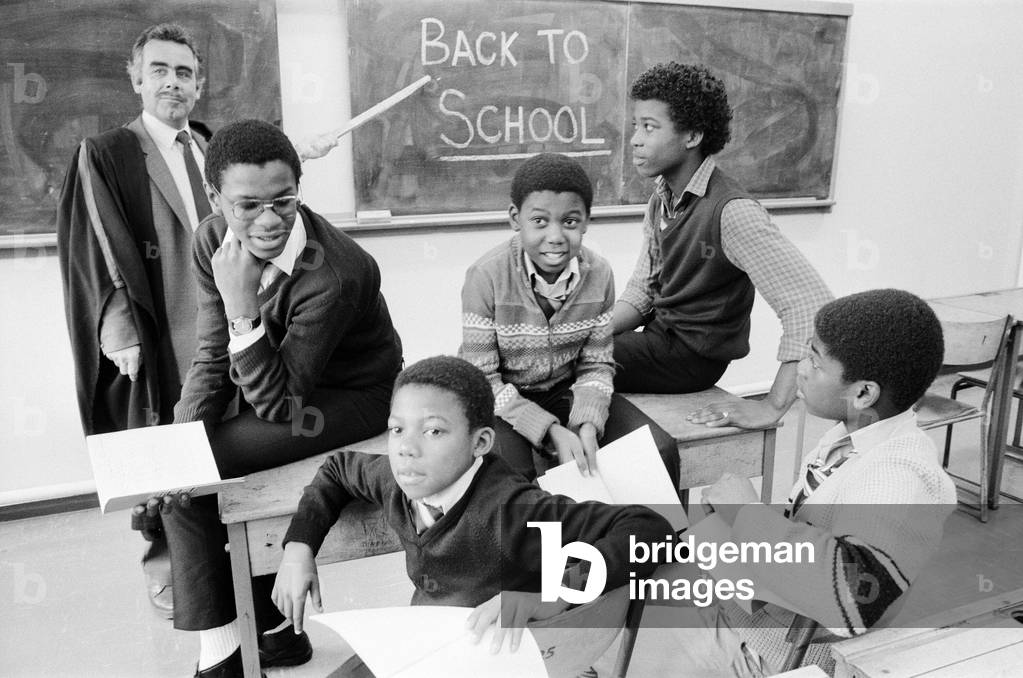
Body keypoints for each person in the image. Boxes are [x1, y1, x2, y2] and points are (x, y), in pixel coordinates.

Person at [157, 118, 402, 677]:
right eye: (247, 206)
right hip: (285, 383)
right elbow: (212, 354)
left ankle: (222, 662)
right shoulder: (209, 241)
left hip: (350, 396)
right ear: (215, 197)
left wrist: (242, 306)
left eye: (283, 202)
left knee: (189, 479)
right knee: (179, 461)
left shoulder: (335, 274)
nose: (268, 220)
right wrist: (181, 431)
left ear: (298, 190)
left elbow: (279, 405)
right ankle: (275, 637)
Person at [273, 355, 673, 663]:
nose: (406, 447)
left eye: (433, 431)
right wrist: (298, 548)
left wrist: (552, 592)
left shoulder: (513, 510)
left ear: (480, 443)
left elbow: (651, 529)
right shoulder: (400, 478)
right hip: (431, 642)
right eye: (397, 429)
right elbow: (337, 469)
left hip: (498, 655)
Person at [690, 289, 957, 675]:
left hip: (779, 658)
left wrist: (747, 515)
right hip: (757, 620)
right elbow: (812, 534)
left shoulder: (899, 475)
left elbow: (857, 594)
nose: (799, 369)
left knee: (613, 630)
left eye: (814, 362)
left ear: (863, 393)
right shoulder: (848, 435)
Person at [56, 22, 213, 618]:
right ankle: (170, 572)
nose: (173, 83)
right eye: (160, 71)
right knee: (163, 447)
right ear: (136, 79)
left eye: (184, 73)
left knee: (221, 445)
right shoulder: (107, 153)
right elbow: (91, 245)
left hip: (220, 328)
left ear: (198, 85)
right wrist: (118, 324)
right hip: (162, 325)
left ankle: (229, 567)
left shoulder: (207, 144)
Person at [614, 62, 833, 431]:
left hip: (690, 358)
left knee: (568, 362)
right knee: (563, 350)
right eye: (636, 126)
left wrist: (774, 405)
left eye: (649, 127)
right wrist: (589, 330)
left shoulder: (732, 212)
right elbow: (644, 289)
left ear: (693, 135)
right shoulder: (662, 198)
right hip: (658, 340)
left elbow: (810, 305)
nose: (635, 138)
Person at [459, 152, 680, 489]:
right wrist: (551, 431)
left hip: (563, 389)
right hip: (499, 397)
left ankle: (647, 542)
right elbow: (484, 380)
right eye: (540, 221)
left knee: (658, 450)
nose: (556, 235)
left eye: (570, 221)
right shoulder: (485, 277)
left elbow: (597, 363)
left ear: (587, 221)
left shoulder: (600, 274)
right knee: (511, 477)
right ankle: (545, 542)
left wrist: (588, 422)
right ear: (515, 219)